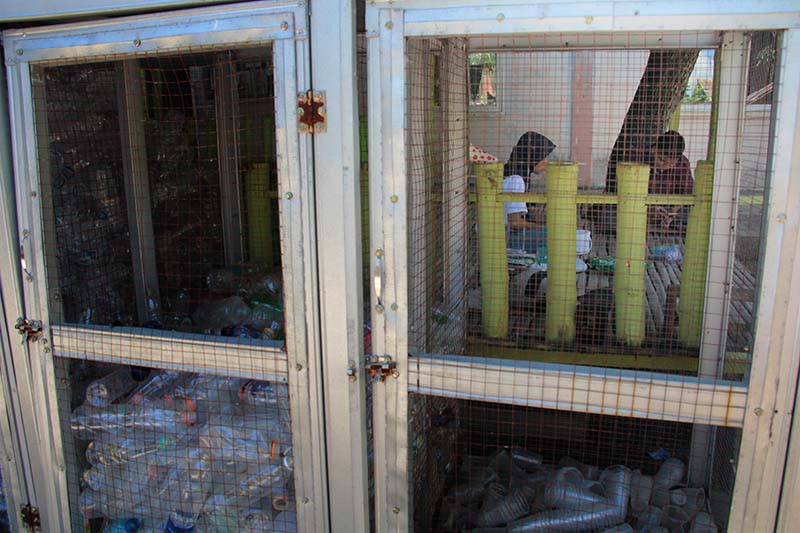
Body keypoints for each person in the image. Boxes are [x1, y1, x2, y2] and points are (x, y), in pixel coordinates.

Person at [503, 131, 556, 252]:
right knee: (557, 235)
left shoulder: (513, 170)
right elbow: (514, 223)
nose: (546, 163)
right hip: (504, 238)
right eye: (543, 157)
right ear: (533, 156)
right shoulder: (516, 179)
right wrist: (542, 227)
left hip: (502, 234)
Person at [648, 131, 693, 232]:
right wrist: (649, 208)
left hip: (667, 208)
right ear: (654, 149)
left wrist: (672, 212)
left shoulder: (682, 164)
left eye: (671, 164)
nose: (665, 166)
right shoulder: (637, 157)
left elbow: (686, 194)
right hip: (639, 205)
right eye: (662, 160)